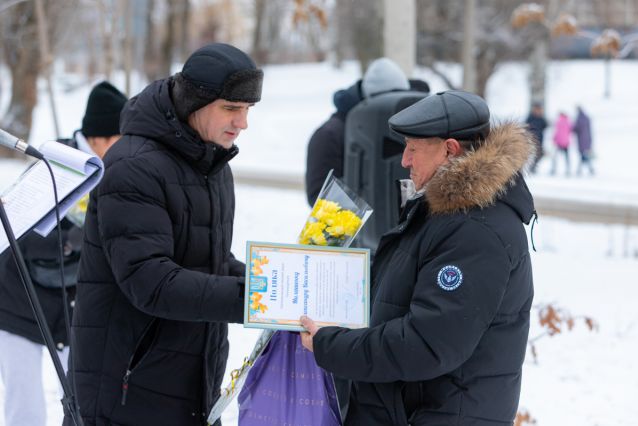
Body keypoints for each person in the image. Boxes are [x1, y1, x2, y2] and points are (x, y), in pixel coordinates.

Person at [300, 90, 536, 425]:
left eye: (412, 148)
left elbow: (426, 345)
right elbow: (397, 295)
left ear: (449, 150)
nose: (404, 160)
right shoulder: (447, 212)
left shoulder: (475, 231)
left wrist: (331, 344)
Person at [64, 43, 263, 426]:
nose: (243, 123)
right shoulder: (133, 167)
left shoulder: (213, 164)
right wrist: (256, 299)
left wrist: (275, 281)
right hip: (126, 393)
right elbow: (152, 282)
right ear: (194, 103)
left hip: (190, 384)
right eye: (231, 108)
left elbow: (208, 260)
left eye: (248, 110)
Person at [0, 80, 126, 426]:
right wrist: (75, 237)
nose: (125, 147)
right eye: (120, 138)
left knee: (84, 399)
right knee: (24, 406)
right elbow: (19, 230)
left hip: (73, 304)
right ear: (100, 137)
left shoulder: (117, 169)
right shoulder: (59, 164)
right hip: (17, 298)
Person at [305, 57, 428, 206]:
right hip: (358, 226)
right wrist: (363, 181)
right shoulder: (330, 135)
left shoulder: (417, 124)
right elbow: (319, 198)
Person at [525, 101, 547, 173]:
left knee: (540, 154)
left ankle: (533, 166)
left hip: (540, 139)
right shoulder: (530, 117)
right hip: (532, 139)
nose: (538, 111)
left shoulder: (541, 118)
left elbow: (545, 125)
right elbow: (526, 126)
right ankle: (530, 167)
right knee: (530, 153)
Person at [573, 106, 594, 176]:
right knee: (585, 155)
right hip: (587, 139)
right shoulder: (586, 118)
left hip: (581, 140)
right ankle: (588, 169)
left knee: (583, 155)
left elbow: (576, 128)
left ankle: (582, 170)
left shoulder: (579, 119)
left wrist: (573, 128)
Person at [550, 111, 572, 176]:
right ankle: (568, 169)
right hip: (566, 142)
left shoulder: (558, 121)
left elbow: (557, 132)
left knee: (555, 157)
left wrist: (554, 138)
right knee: (566, 157)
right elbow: (570, 131)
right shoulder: (568, 122)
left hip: (559, 142)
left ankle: (553, 169)